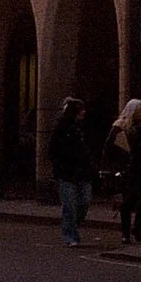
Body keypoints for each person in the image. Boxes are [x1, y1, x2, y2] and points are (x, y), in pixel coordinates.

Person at [103, 97, 141, 245]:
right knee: (127, 202)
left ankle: (137, 227)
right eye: (139, 110)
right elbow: (109, 148)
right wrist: (110, 168)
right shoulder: (120, 126)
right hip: (127, 168)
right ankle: (125, 233)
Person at [47, 96, 94, 248]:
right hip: (66, 173)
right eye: (81, 110)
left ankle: (73, 225)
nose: (84, 112)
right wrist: (60, 165)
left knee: (84, 202)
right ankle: (71, 236)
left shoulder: (84, 128)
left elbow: (88, 149)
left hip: (83, 172)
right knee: (69, 206)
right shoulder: (61, 128)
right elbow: (52, 150)